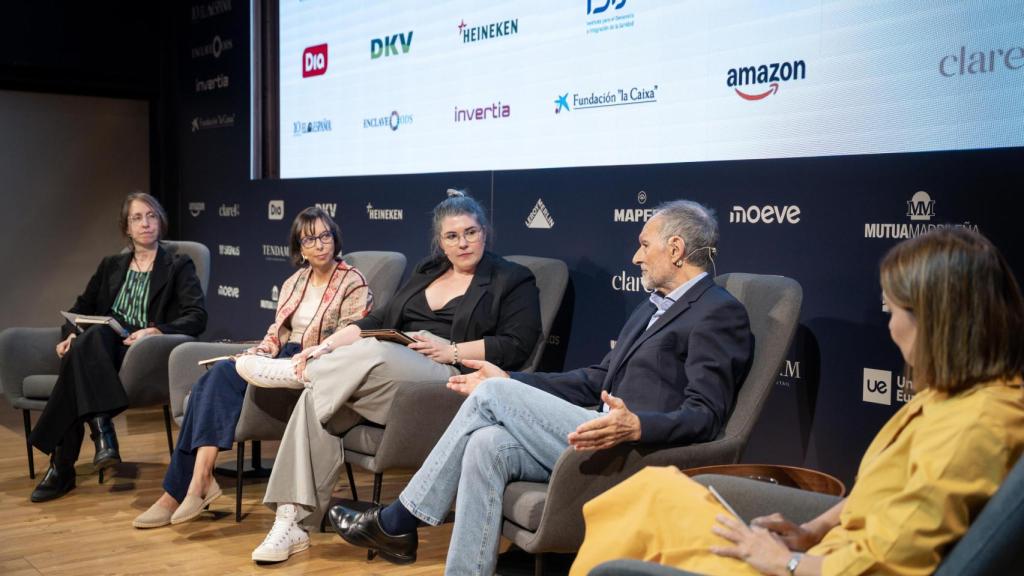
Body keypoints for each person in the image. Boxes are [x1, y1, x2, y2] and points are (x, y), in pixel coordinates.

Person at [329, 199, 755, 575]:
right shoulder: (652, 307)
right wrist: (511, 377)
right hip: (593, 430)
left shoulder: (718, 313)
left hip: (635, 452)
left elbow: (707, 416)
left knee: (491, 396)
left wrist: (638, 427)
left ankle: (398, 521)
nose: (636, 256)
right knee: (487, 443)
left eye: (644, 245)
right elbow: (595, 379)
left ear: (676, 249)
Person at [569, 228, 1024, 576]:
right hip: (815, 555)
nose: (890, 328)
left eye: (895, 312)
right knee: (653, 490)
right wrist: (810, 531)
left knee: (646, 513)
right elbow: (877, 496)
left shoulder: (978, 423)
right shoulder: (948, 397)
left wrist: (784, 562)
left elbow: (889, 562)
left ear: (939, 321)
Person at [248, 191, 542, 563]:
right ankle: (292, 520)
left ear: (485, 232)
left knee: (374, 353)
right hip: (393, 376)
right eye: (452, 236)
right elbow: (378, 321)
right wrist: (324, 348)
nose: (463, 242)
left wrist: (452, 349)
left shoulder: (511, 279)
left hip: (451, 380)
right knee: (323, 396)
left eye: (471, 232)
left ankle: (297, 374)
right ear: (440, 241)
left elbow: (517, 346)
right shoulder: (427, 271)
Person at [131, 206, 371, 528]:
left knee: (214, 383)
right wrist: (254, 355)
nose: (320, 244)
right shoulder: (294, 282)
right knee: (212, 379)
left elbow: (351, 334)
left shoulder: (352, 282)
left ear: (335, 237)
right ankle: (198, 482)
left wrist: (307, 353)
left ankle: (182, 490)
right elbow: (277, 332)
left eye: (325, 235)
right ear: (299, 248)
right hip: (281, 356)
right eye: (310, 239)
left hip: (316, 363)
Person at [28, 192, 208, 502]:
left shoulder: (177, 265)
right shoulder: (111, 264)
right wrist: (72, 333)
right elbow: (82, 307)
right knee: (91, 338)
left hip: (139, 351)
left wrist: (155, 329)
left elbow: (196, 317)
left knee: (84, 351)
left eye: (151, 216)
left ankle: (63, 465)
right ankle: (101, 435)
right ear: (126, 227)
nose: (145, 223)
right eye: (137, 218)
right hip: (101, 348)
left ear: (160, 221)